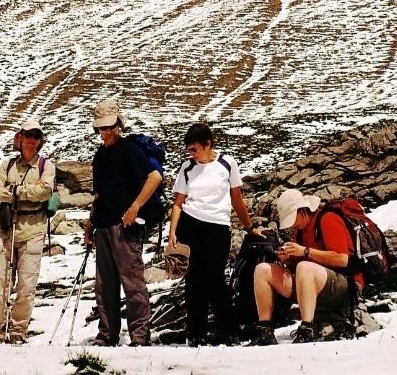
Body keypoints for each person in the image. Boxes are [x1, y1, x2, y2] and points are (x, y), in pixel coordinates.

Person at [166, 122, 255, 346]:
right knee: (194, 278)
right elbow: (178, 202)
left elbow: (237, 199)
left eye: (194, 149)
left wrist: (249, 227)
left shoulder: (227, 163)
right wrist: (172, 232)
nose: (191, 154)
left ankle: (228, 330)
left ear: (208, 144)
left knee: (215, 277)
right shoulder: (187, 168)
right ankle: (196, 332)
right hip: (191, 223)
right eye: (189, 150)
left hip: (217, 225)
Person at [83, 99, 160, 347]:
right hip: (103, 225)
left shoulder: (130, 150)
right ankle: (107, 335)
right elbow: (99, 194)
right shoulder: (99, 156)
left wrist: (134, 207)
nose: (106, 132)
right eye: (101, 129)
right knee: (104, 286)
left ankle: (139, 336)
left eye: (110, 127)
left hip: (126, 226)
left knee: (132, 282)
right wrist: (89, 224)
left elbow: (155, 177)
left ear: (119, 124)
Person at [250, 189, 363, 345]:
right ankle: (265, 330)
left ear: (302, 210)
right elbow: (303, 268)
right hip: (316, 284)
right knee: (262, 270)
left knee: (304, 267)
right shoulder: (301, 231)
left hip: (346, 287)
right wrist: (288, 259)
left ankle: (306, 329)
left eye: (293, 218)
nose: (292, 225)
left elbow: (343, 259)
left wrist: (305, 251)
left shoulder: (327, 219)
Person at [0, 120, 57, 344]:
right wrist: (23, 193)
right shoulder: (7, 165)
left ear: (40, 140)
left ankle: (18, 331)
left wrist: (16, 191)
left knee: (26, 285)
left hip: (33, 229)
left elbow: (45, 191)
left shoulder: (46, 166)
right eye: (27, 134)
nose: (31, 139)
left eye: (36, 135)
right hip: (6, 229)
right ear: (20, 137)